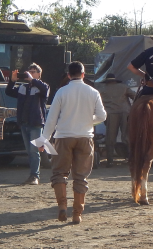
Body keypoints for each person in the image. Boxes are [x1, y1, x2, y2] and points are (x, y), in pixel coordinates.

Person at [40, 61, 106, 224]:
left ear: (68, 75)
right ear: (84, 75)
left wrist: (44, 140)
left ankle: (62, 206)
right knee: (81, 176)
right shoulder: (93, 92)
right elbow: (102, 116)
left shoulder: (62, 92)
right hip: (85, 136)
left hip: (63, 136)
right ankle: (77, 214)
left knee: (59, 173)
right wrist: (88, 121)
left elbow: (51, 119)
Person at [6, 63, 49, 185]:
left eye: (33, 71)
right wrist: (12, 81)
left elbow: (45, 90)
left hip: (36, 123)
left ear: (39, 74)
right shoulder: (23, 87)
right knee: (29, 151)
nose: (30, 73)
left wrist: (33, 80)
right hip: (24, 123)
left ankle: (35, 176)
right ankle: (32, 175)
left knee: (34, 150)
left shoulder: (42, 87)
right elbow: (9, 91)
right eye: (29, 71)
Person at [96, 73, 136, 167]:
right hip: (125, 112)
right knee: (127, 136)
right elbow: (135, 96)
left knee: (110, 137)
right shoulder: (123, 87)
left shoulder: (101, 89)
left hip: (110, 113)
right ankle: (131, 159)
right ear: (115, 80)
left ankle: (110, 161)